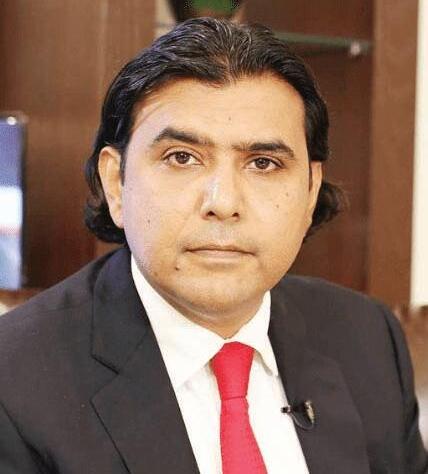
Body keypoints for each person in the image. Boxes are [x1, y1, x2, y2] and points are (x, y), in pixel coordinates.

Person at [0, 17, 426, 474]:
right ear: (116, 184)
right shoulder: (15, 383)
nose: (223, 203)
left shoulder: (367, 338)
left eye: (263, 163)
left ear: (309, 190)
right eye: (182, 158)